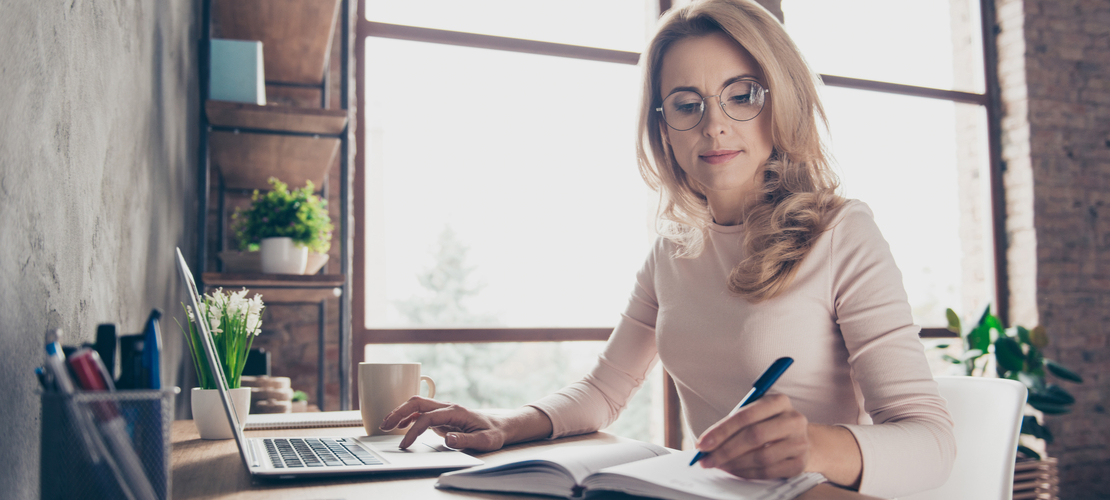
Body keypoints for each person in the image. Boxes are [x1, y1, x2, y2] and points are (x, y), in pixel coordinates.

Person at [379, 0, 956, 497]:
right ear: (663, 127)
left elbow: (931, 444)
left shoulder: (843, 233)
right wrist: (505, 423)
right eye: (687, 104)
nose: (715, 125)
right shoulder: (674, 247)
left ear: (780, 103)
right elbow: (605, 392)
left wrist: (812, 446)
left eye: (742, 95)